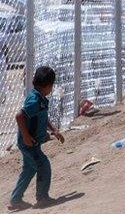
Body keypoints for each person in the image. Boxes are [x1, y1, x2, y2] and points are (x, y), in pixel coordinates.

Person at [8, 67, 64, 211]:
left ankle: (15, 199)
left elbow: (43, 117)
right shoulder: (34, 100)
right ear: (48, 85)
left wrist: (54, 130)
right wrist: (26, 137)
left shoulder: (40, 99)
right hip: (29, 144)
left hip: (32, 143)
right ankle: (42, 197)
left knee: (29, 169)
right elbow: (19, 116)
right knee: (43, 165)